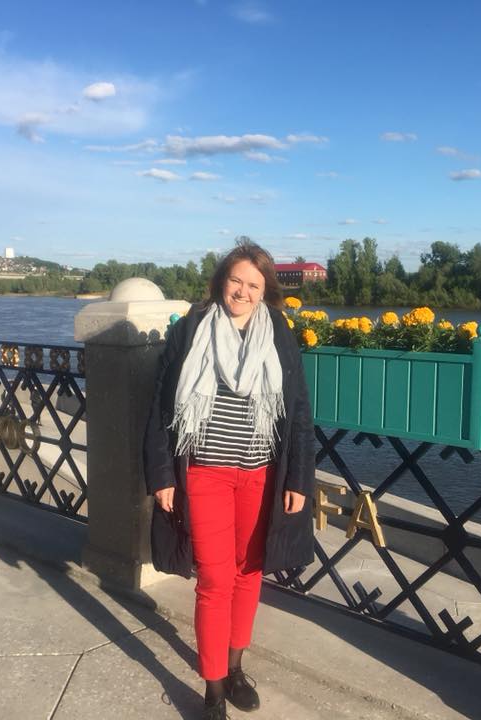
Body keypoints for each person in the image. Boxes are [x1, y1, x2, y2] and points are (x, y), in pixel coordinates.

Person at [143, 240, 316, 719]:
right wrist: (162, 475)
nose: (242, 291)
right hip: (205, 475)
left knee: (249, 572)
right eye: (236, 280)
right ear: (222, 280)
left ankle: (235, 668)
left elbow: (299, 409)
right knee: (215, 580)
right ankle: (214, 688)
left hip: (261, 475)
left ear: (266, 291)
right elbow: (160, 408)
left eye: (253, 285)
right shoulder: (192, 329)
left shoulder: (277, 332)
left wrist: (299, 479)